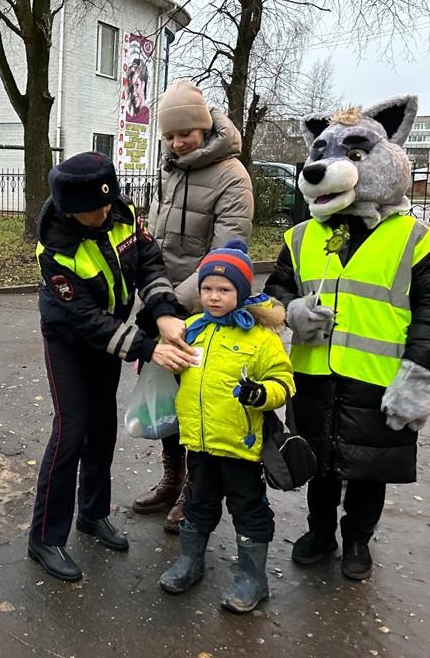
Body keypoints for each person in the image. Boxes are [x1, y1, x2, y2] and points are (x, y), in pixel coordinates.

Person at [265, 96, 430, 581]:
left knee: (368, 469)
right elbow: (278, 289)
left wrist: (418, 376)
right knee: (319, 464)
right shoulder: (302, 235)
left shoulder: (415, 237)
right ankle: (320, 532)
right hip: (314, 374)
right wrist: (292, 312)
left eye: (354, 154)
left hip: (377, 379)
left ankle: (358, 541)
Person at [28, 151, 195, 582]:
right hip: (69, 339)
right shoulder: (55, 248)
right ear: (69, 210)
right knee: (71, 429)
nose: (104, 214)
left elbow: (149, 263)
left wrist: (162, 311)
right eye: (92, 211)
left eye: (107, 204)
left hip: (112, 330)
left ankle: (93, 513)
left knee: (102, 426)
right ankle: (45, 536)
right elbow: (83, 318)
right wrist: (146, 348)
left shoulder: (122, 212)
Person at [135, 79, 253, 533]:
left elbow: (224, 259)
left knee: (197, 401)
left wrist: (169, 303)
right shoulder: (169, 168)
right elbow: (153, 236)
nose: (177, 141)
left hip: (204, 308)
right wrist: (151, 293)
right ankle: (172, 476)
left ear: (203, 126)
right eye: (169, 135)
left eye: (185, 132)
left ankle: (194, 493)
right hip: (160, 300)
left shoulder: (232, 177)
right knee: (165, 398)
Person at [159, 239, 293, 613]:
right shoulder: (192, 328)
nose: (214, 297)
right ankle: (190, 561)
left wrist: (260, 394)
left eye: (224, 289)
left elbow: (284, 382)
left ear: (242, 291)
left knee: (247, 507)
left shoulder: (261, 338)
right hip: (198, 442)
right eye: (207, 289)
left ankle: (253, 577)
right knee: (198, 503)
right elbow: (168, 358)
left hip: (241, 445)